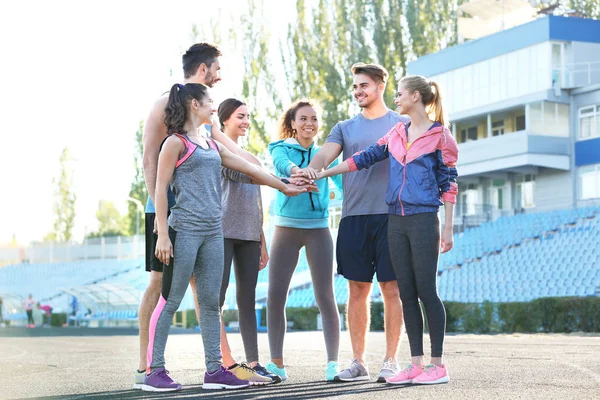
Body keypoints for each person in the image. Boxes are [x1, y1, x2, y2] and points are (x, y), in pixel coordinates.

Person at [143, 83, 306, 392]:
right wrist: (163, 234)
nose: (214, 108)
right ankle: (156, 371)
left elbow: (247, 167)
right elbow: (161, 188)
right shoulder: (174, 143)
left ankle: (214, 371)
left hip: (212, 233)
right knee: (172, 299)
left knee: (209, 305)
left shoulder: (210, 144)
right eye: (210, 102)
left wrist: (284, 186)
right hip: (184, 231)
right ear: (194, 104)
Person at [309, 74, 458, 385]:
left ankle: (438, 365)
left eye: (401, 93)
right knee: (407, 295)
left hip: (423, 218)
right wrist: (323, 173)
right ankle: (415, 364)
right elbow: (362, 159)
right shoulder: (396, 132)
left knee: (425, 292)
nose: (397, 99)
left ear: (415, 97)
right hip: (396, 218)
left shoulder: (440, 135)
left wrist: (448, 228)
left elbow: (449, 183)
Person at [136, 42, 264, 389]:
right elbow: (150, 160)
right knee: (162, 286)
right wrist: (165, 220)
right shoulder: (165, 104)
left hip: (205, 217)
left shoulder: (204, 122)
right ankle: (148, 365)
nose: (220, 77)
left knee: (207, 295)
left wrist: (271, 173)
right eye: (217, 70)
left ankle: (219, 366)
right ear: (204, 69)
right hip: (171, 211)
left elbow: (229, 151)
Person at [296, 63, 407, 382]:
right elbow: (323, 157)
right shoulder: (344, 128)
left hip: (392, 216)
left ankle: (390, 360)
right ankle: (358, 361)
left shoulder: (402, 123)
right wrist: (307, 172)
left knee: (392, 289)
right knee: (357, 290)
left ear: (380, 87)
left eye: (364, 86)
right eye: (355, 87)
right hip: (354, 218)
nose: (358, 91)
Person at [265, 99, 342, 382]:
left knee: (326, 296)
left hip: (318, 229)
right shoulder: (280, 147)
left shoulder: (327, 153)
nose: (309, 123)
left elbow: (343, 186)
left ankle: (333, 364)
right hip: (285, 229)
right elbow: (282, 166)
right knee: (276, 295)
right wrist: (297, 172)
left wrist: (335, 196)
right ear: (293, 123)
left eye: (314, 119)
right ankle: (277, 364)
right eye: (303, 118)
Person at [216, 98, 278, 385]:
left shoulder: (250, 156)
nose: (246, 121)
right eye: (240, 116)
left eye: (248, 116)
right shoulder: (215, 151)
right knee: (216, 299)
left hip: (250, 236)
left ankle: (253, 362)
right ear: (225, 119)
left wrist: (262, 240)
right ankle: (218, 362)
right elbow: (245, 172)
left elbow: (256, 202)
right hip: (224, 233)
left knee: (247, 300)